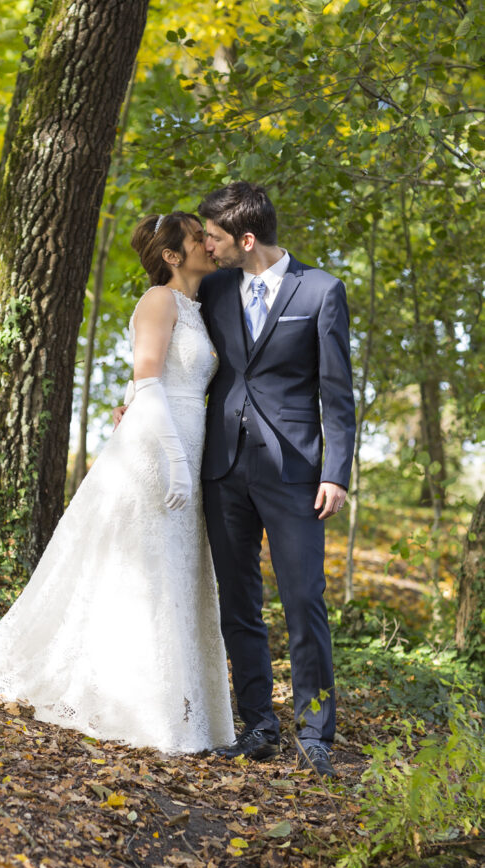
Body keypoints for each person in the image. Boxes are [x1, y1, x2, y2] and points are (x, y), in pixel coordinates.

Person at [0, 213, 235, 756]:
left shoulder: (198, 305)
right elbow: (148, 378)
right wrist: (170, 455)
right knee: (143, 561)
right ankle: (132, 699)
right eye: (198, 238)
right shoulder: (159, 301)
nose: (208, 245)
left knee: (172, 565)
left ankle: (173, 702)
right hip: (159, 448)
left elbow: (161, 374)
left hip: (185, 441)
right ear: (173, 255)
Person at [197, 182, 356, 778]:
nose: (207, 247)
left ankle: (315, 732)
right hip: (224, 469)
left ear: (245, 238)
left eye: (213, 237)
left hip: (296, 476)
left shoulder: (320, 291)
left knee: (304, 601)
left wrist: (336, 473)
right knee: (238, 603)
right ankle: (258, 725)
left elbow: (337, 393)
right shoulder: (212, 288)